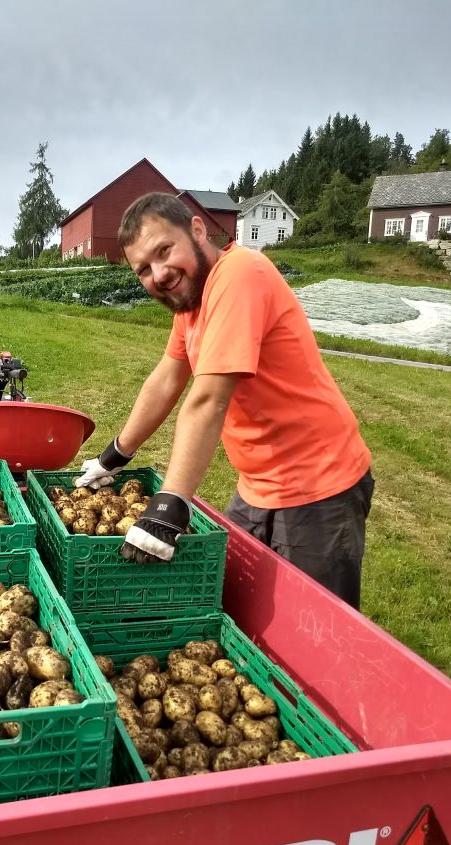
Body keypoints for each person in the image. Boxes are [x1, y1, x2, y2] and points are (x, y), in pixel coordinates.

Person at [75, 192, 374, 610]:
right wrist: (114, 456)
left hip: (318, 486)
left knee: (312, 626)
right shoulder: (190, 304)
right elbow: (166, 378)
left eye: (165, 251)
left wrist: (169, 505)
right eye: (144, 269)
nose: (159, 274)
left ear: (197, 230)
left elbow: (208, 399)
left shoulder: (240, 274)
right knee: (232, 606)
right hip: (256, 486)